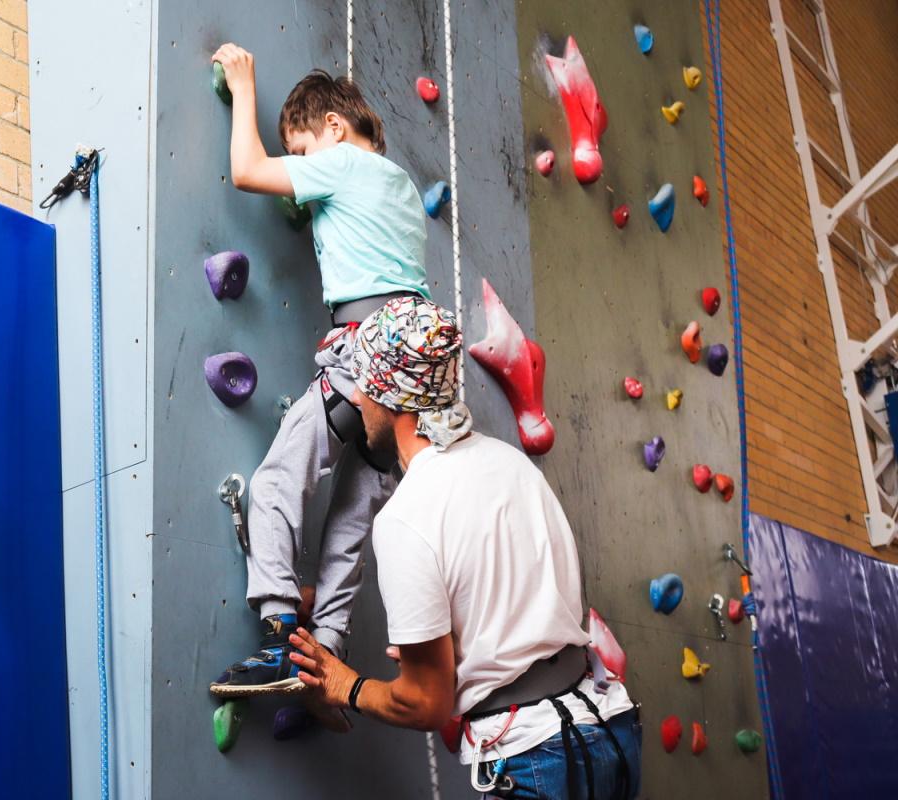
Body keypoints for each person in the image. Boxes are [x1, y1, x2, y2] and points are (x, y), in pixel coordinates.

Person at [289, 297, 642, 799]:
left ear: (391, 397)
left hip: (536, 758)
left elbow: (425, 704)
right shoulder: (511, 464)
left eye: (365, 380)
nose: (359, 396)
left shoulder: (406, 518)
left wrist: (347, 685)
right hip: (609, 730)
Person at [207, 43, 432, 704]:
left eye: (300, 151)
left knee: (280, 479)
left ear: (334, 130)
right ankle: (325, 659)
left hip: (365, 353)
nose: (303, 172)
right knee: (349, 527)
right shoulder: (400, 187)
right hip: (411, 383)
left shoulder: (342, 165)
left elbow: (248, 171)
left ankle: (279, 638)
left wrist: (244, 86)